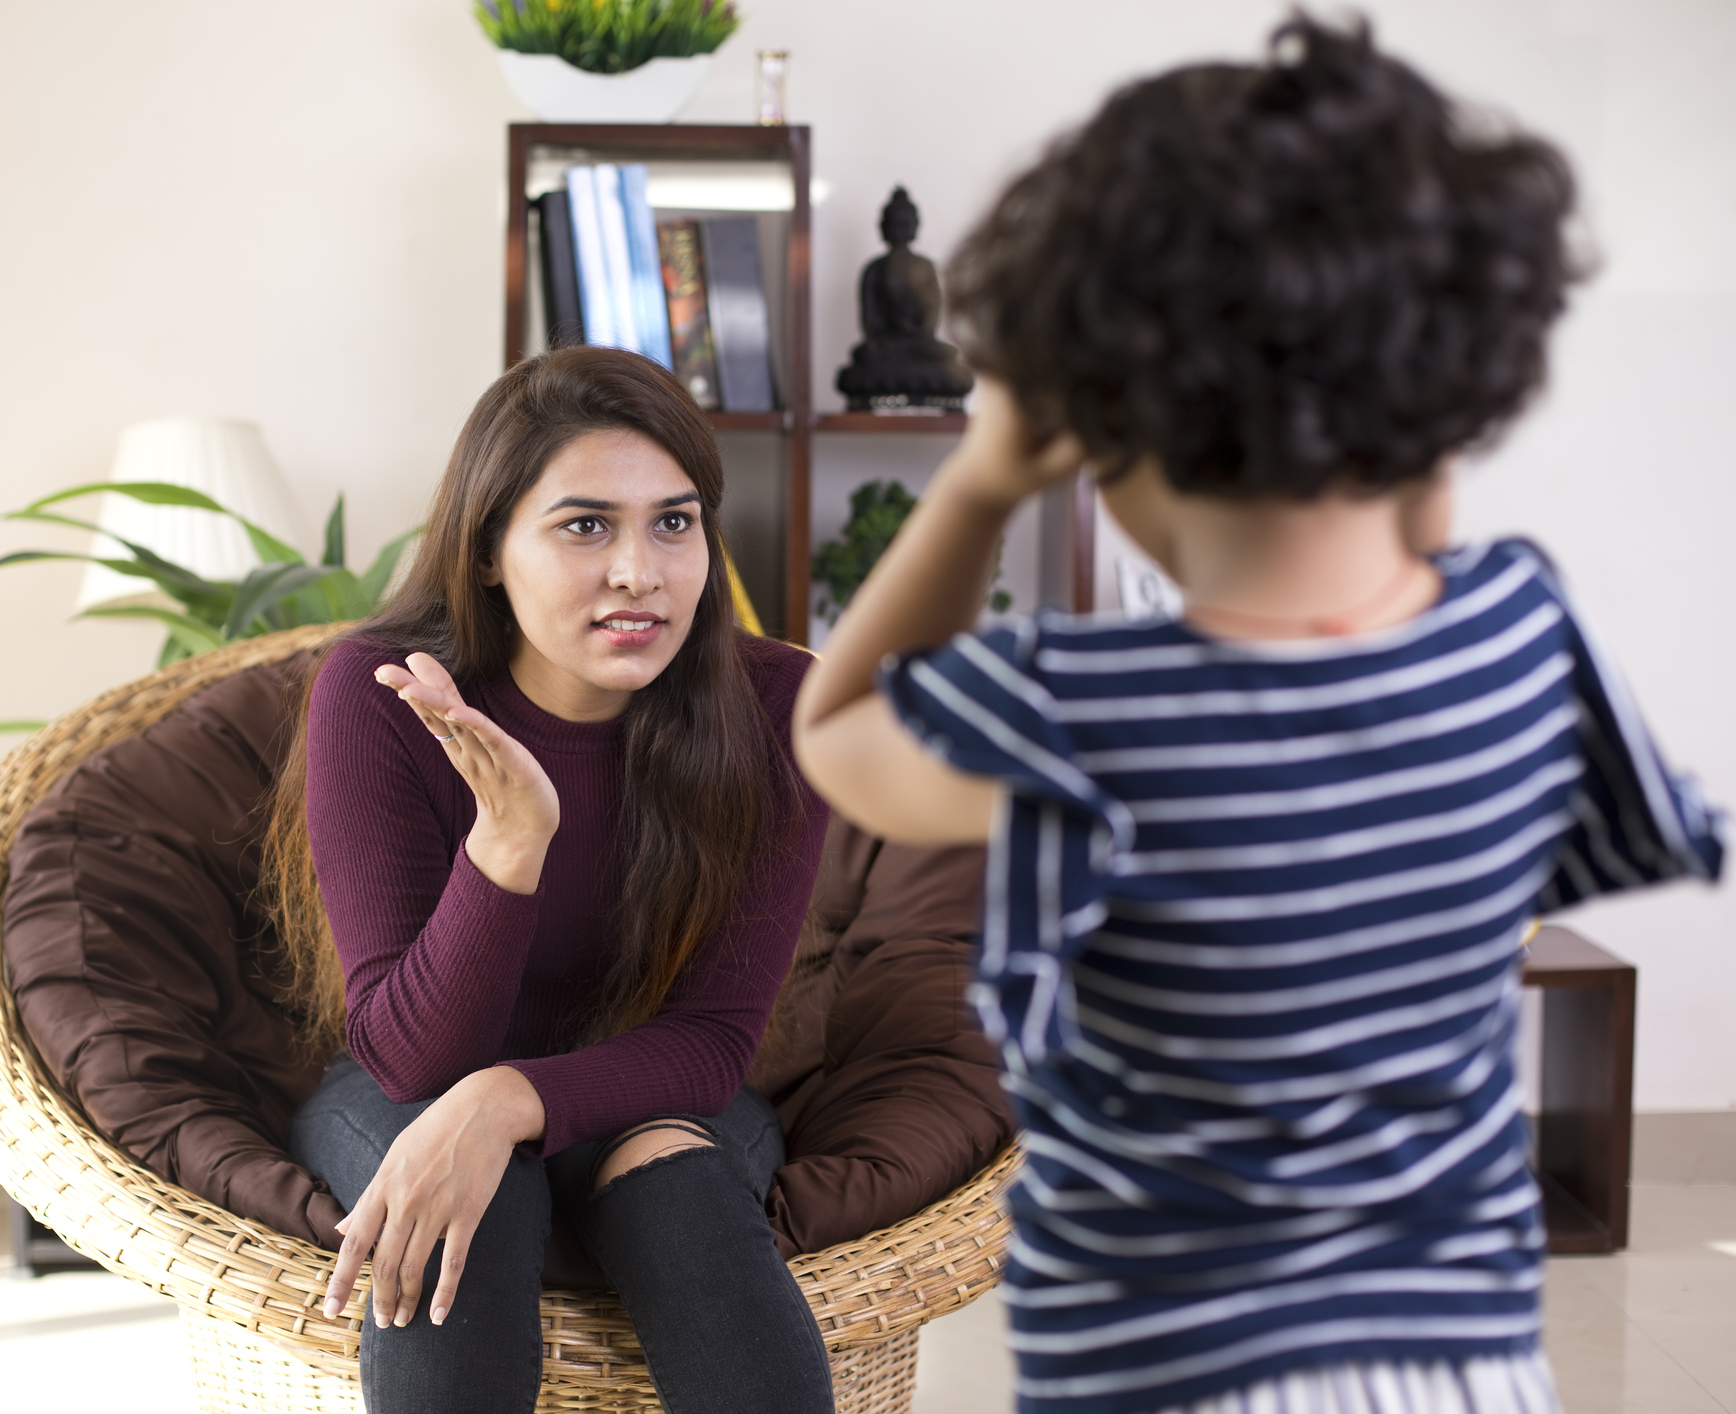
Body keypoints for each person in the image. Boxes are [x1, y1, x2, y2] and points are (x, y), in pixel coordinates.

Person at [793, 16, 1724, 1414]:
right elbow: (1433, 539)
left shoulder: (1072, 708)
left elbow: (837, 728)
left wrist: (983, 479)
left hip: (1168, 1375)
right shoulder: (1521, 638)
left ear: (1099, 424)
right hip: (1459, 1370)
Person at [259, 345, 834, 1413]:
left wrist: (511, 1097)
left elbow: (711, 1040)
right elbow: (413, 1050)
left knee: (685, 1197)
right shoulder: (380, 697)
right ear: (486, 549)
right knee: (465, 1221)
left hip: (654, 1083)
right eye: (585, 526)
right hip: (409, 1081)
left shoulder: (777, 708)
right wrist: (508, 843)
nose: (639, 572)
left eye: (673, 521)